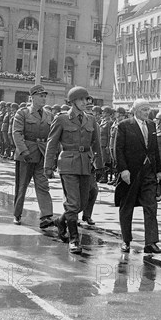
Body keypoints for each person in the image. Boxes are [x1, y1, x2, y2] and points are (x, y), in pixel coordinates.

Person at [44, 86, 102, 253]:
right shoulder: (62, 119)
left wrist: (99, 165)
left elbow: (96, 144)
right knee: (73, 203)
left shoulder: (90, 120)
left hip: (86, 164)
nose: (86, 102)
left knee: (83, 203)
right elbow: (52, 143)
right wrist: (48, 166)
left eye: (87, 99)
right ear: (73, 101)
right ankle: (74, 239)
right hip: (68, 164)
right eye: (82, 99)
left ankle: (61, 222)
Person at [114, 99, 161, 254]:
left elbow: (155, 149)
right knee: (127, 207)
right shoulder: (124, 125)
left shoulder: (151, 125)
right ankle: (126, 240)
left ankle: (151, 242)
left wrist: (158, 171)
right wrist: (123, 170)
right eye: (143, 109)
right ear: (135, 110)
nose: (147, 112)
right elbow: (118, 149)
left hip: (148, 173)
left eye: (148, 109)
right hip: (131, 173)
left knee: (151, 207)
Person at [12, 84, 54, 229]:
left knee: (43, 185)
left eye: (44, 96)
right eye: (40, 96)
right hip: (27, 155)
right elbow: (17, 133)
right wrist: (24, 151)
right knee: (22, 185)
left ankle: (46, 216)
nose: (43, 99)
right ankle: (17, 214)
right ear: (32, 97)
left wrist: (52, 156)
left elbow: (52, 136)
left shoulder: (49, 114)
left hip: (42, 154)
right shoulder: (23, 113)